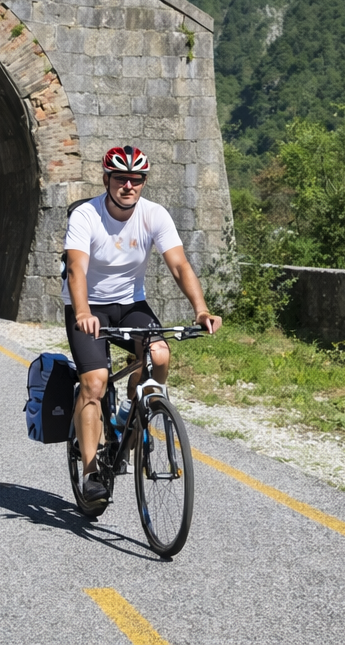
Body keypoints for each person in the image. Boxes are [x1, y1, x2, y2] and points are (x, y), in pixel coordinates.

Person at [64, 144, 221, 502]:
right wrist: (84, 312)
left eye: (137, 179)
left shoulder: (154, 215)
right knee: (95, 381)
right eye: (121, 178)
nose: (129, 186)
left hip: (130, 304)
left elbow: (179, 265)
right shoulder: (86, 216)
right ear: (106, 179)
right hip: (88, 306)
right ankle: (91, 471)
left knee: (160, 356)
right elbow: (76, 269)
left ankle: (125, 418)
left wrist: (201, 309)